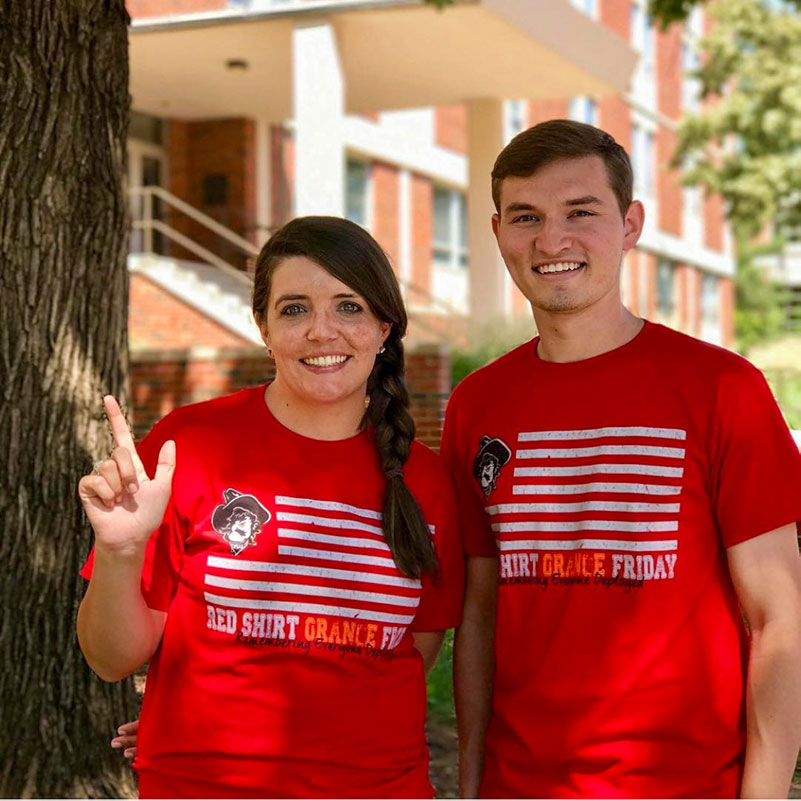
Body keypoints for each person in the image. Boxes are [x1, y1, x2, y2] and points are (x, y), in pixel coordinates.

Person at [441, 119, 801, 798]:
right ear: (496, 234)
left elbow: (777, 618)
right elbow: (480, 613)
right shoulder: (476, 405)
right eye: (527, 217)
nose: (552, 240)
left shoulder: (721, 389)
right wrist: (469, 783)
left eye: (580, 212)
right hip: (521, 785)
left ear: (630, 223)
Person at [77, 216, 464, 798]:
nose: (322, 331)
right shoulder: (190, 447)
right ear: (262, 326)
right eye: (294, 309)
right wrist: (121, 551)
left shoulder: (427, 481)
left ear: (386, 326)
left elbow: (410, 654)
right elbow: (111, 660)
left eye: (349, 307)